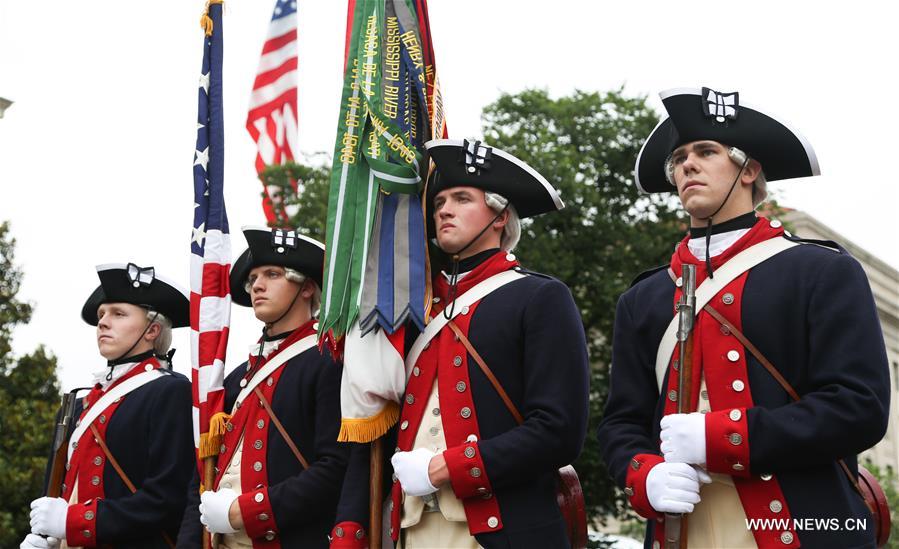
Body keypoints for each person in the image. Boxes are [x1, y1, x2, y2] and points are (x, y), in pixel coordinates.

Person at [597, 87, 891, 548]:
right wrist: (645, 474)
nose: (687, 164)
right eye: (679, 158)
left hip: (801, 528)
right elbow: (621, 424)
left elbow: (860, 408)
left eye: (706, 151)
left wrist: (721, 436)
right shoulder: (644, 298)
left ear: (750, 170)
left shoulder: (821, 270)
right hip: (683, 530)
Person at [330, 139, 590, 548]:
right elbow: (373, 426)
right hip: (409, 531)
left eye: (462, 199)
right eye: (438, 203)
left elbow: (559, 430)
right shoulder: (407, 312)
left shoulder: (539, 296)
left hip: (502, 529)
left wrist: (444, 468)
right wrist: (350, 529)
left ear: (501, 217)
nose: (444, 210)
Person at [177, 227, 348, 549]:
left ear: (307, 287)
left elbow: (335, 468)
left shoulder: (328, 359)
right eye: (253, 277)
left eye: (272, 274)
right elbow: (200, 479)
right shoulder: (234, 380)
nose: (257, 285)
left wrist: (245, 511)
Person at [24, 263, 195, 549]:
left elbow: (168, 498)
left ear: (152, 330)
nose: (102, 322)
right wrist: (45, 535)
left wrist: (75, 522)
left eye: (118, 314)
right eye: (102, 314)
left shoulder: (170, 390)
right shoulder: (78, 405)